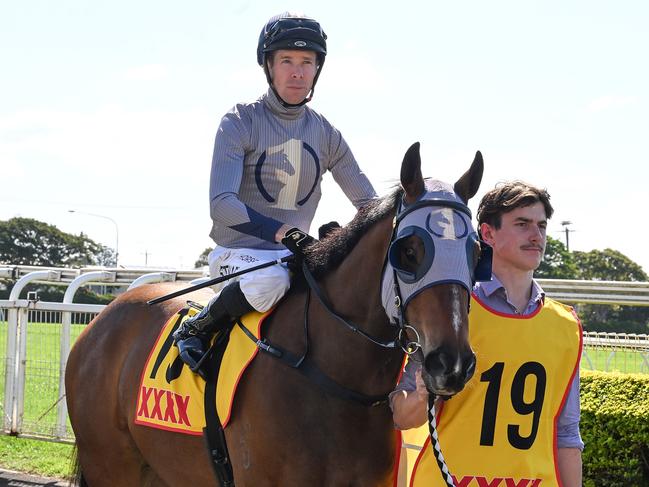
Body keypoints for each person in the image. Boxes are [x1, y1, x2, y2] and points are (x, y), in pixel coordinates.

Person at [172, 12, 377, 373]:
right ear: (268, 65)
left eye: (306, 62)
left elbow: (368, 205)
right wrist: (282, 232)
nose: (297, 72)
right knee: (272, 279)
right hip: (236, 254)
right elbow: (221, 206)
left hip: (293, 259)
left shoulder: (327, 135)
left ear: (317, 69)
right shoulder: (240, 122)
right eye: (286, 61)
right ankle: (198, 327)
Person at [391, 181, 583, 486]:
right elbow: (401, 415)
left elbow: (567, 433)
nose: (536, 236)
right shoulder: (449, 313)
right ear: (487, 233)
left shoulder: (566, 326)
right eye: (522, 224)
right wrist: (422, 395)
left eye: (542, 226)